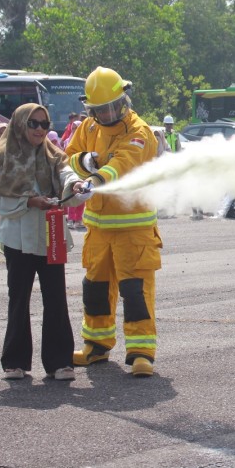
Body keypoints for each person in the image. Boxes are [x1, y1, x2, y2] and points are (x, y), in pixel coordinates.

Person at [65, 67, 162, 377]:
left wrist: (96, 176)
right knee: (95, 289)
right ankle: (96, 346)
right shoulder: (89, 127)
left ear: (124, 100)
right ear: (90, 108)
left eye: (112, 107)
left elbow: (124, 162)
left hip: (134, 229)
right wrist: (84, 162)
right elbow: (68, 155)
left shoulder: (139, 130)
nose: (106, 114)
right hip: (98, 229)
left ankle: (140, 352)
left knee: (136, 291)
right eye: (99, 109)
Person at [0, 103, 91, 382]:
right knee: (18, 299)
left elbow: (67, 175)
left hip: (50, 235)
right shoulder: (2, 157)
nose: (40, 129)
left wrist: (77, 185)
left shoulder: (54, 154)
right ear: (20, 124)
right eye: (34, 123)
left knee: (55, 297)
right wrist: (30, 201)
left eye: (44, 124)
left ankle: (60, 362)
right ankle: (15, 362)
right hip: (16, 238)